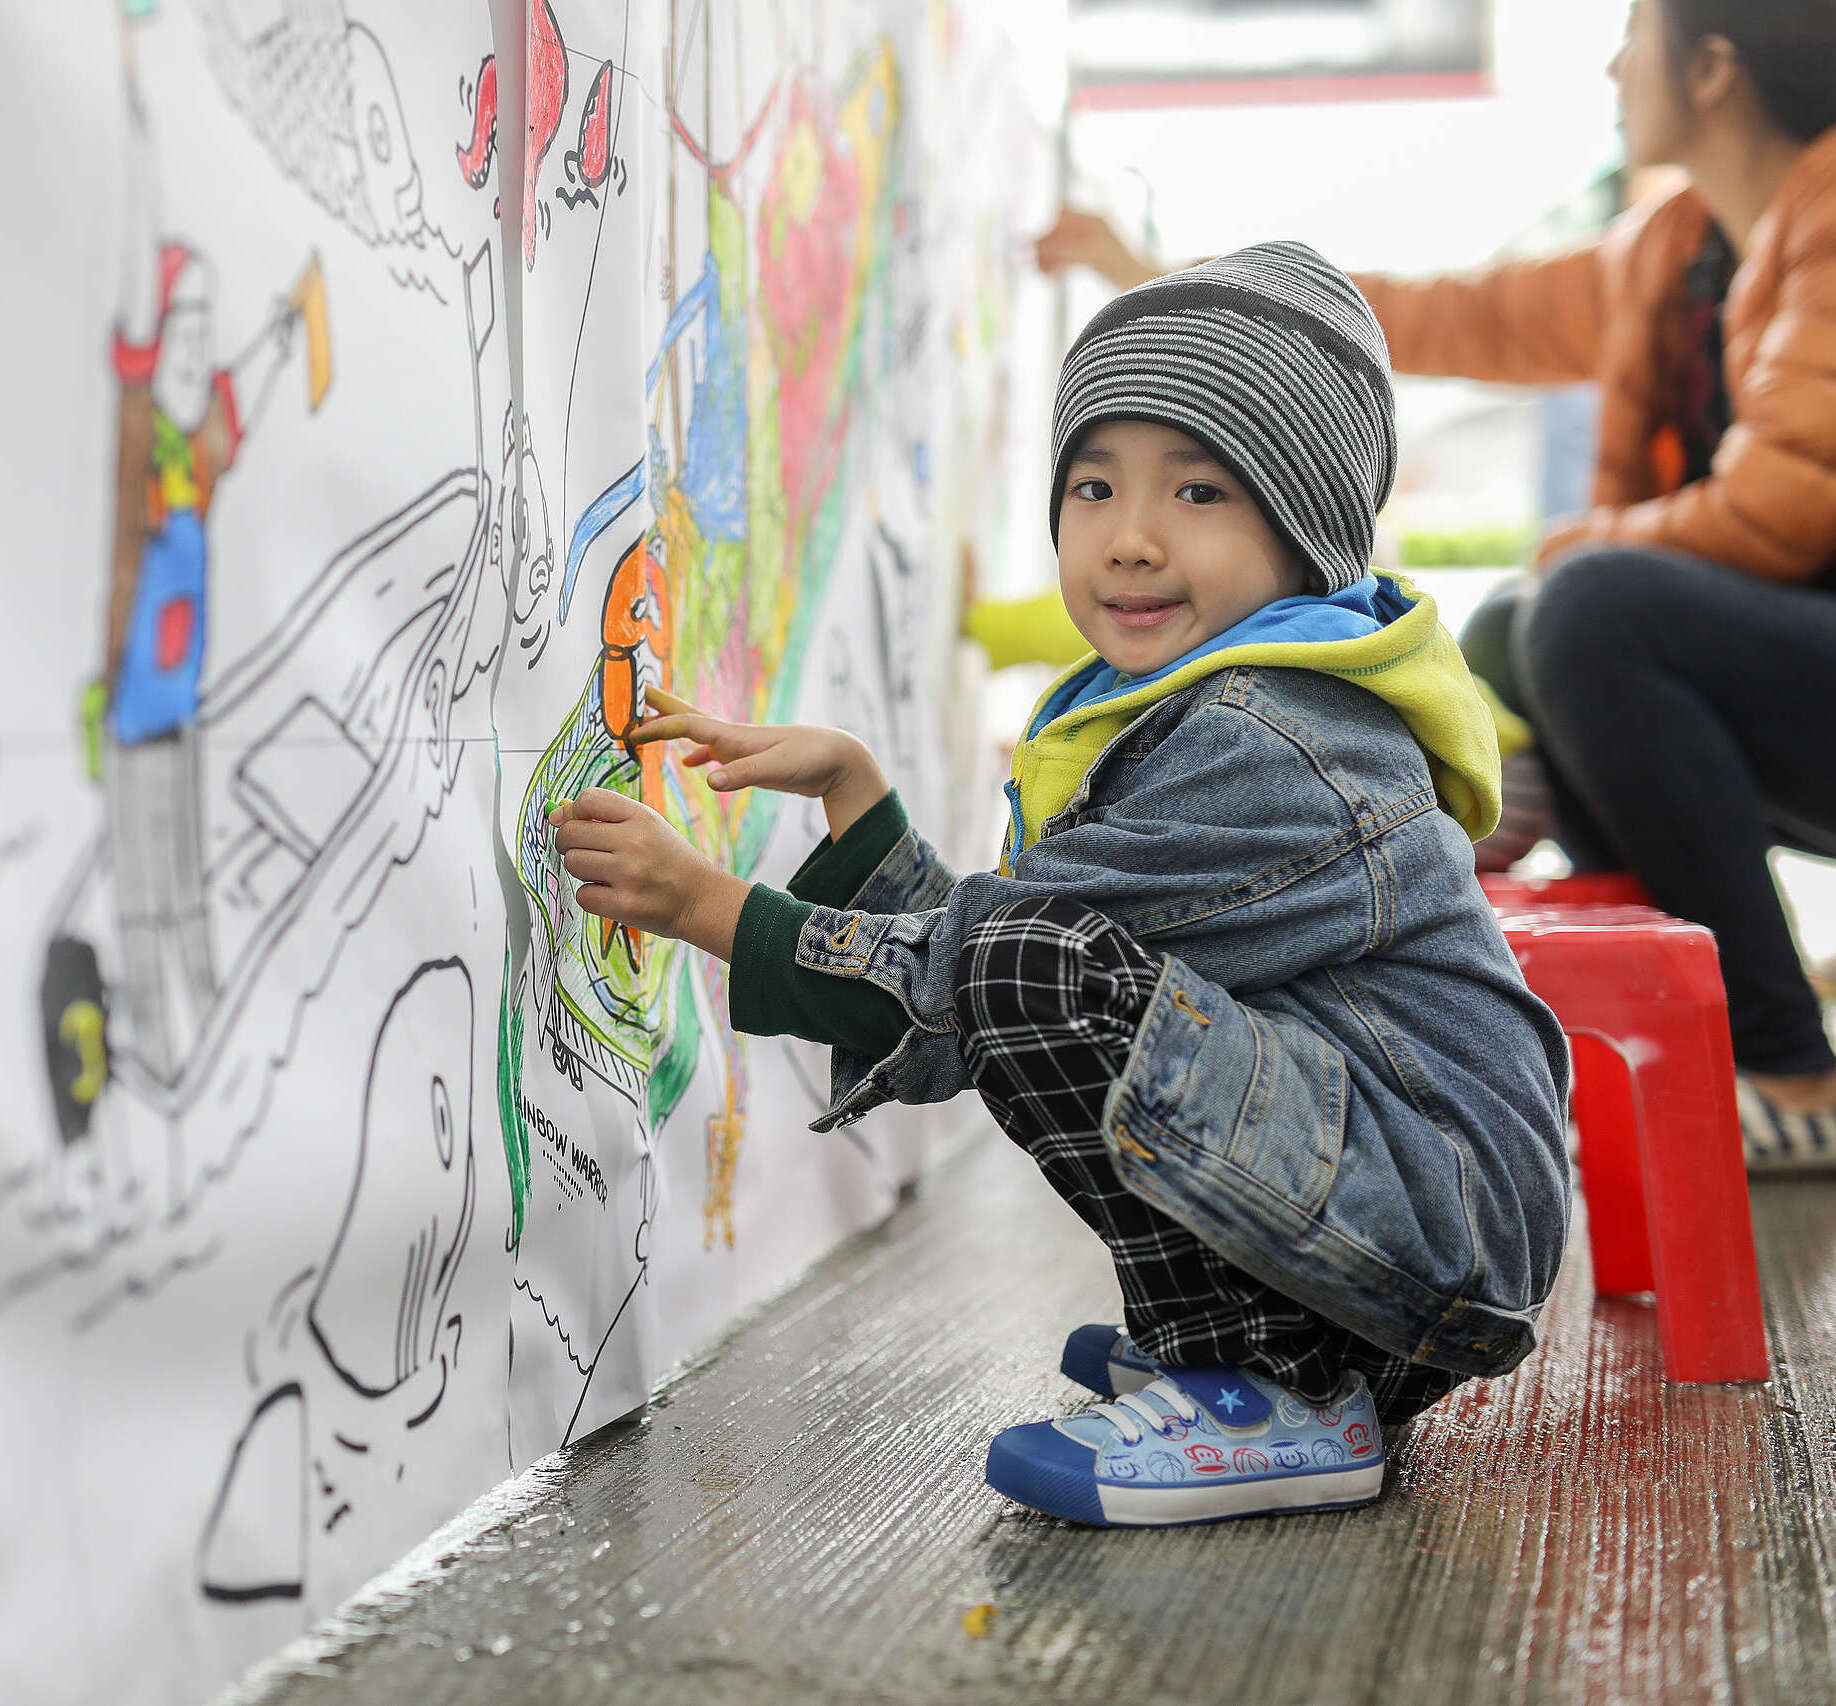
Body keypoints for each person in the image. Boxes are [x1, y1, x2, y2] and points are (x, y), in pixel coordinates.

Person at [545, 245, 1570, 1527]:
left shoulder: (1277, 737)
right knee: (1028, 961)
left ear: (1306, 526)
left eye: (1199, 490)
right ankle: (1264, 1345)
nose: (1130, 539)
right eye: (1093, 485)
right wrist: (859, 796)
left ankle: (1290, 1386)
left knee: (1029, 963)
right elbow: (990, 970)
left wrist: (706, 904)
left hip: (1436, 1231)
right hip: (1402, 1198)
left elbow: (997, 969)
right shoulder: (1185, 696)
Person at [1035, 0, 1836, 1169]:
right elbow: (1451, 314)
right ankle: (1627, 967)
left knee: (1587, 606)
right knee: (1533, 621)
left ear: (1715, 70)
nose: (1614, 63)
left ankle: (1791, 1065)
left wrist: (1580, 546)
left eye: (1636, 34)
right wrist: (1164, 288)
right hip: (1784, 679)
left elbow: (1788, 504)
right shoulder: (1674, 246)